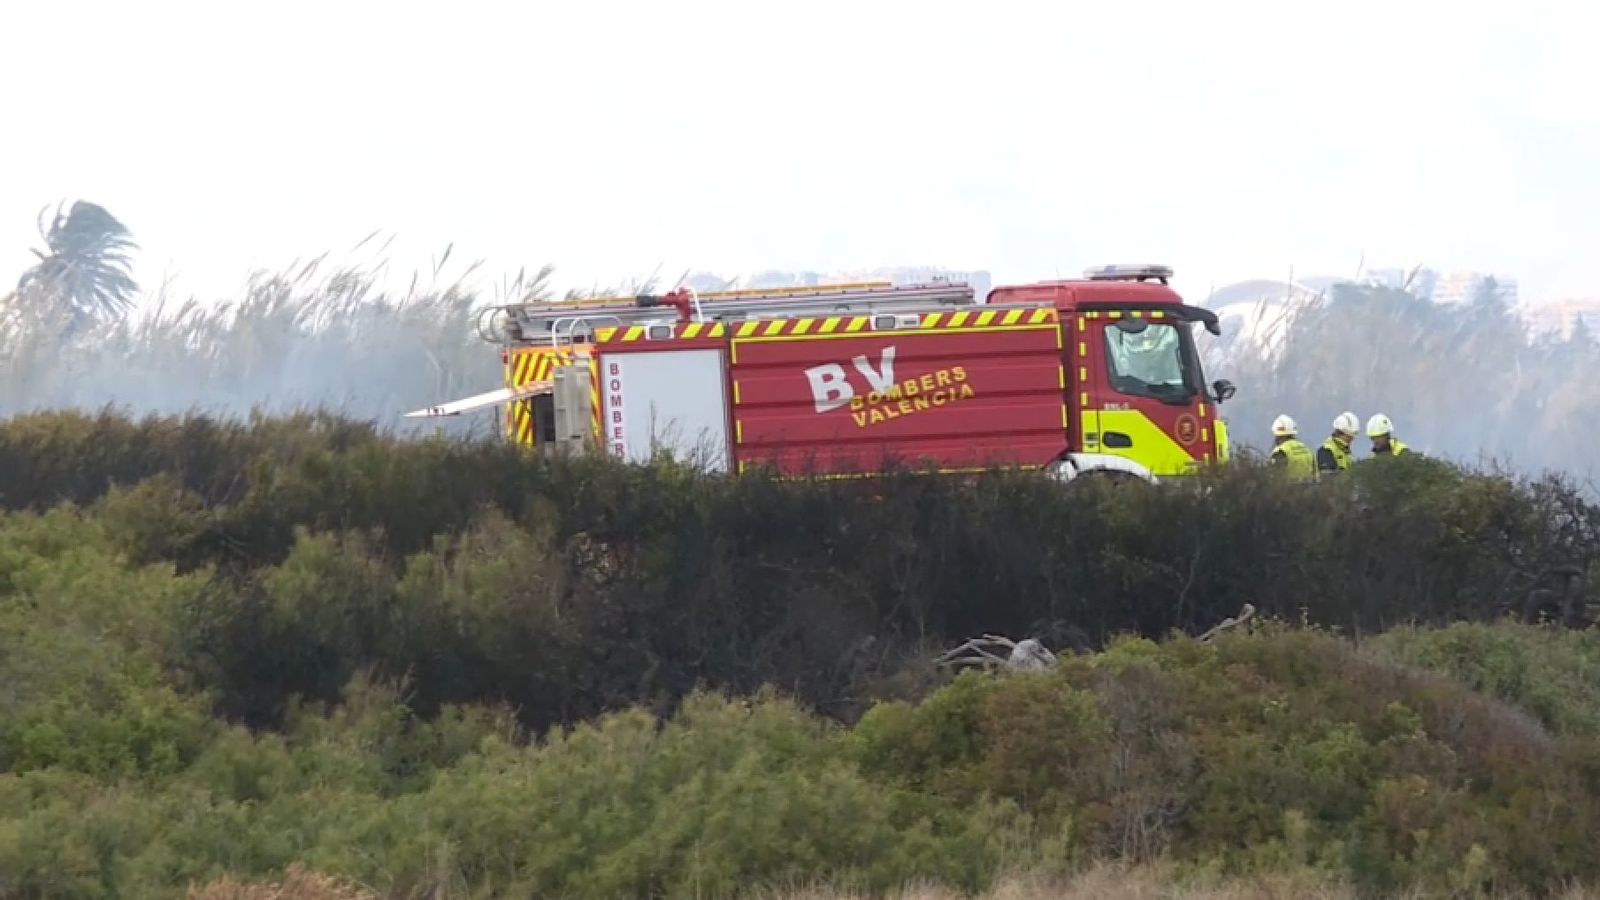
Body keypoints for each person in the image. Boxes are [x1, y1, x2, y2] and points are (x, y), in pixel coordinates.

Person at [1267, 414, 1316, 481]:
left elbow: (1275, 478)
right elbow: (1315, 473)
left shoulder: (1280, 451)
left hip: (1288, 490)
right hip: (1309, 489)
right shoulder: (1306, 449)